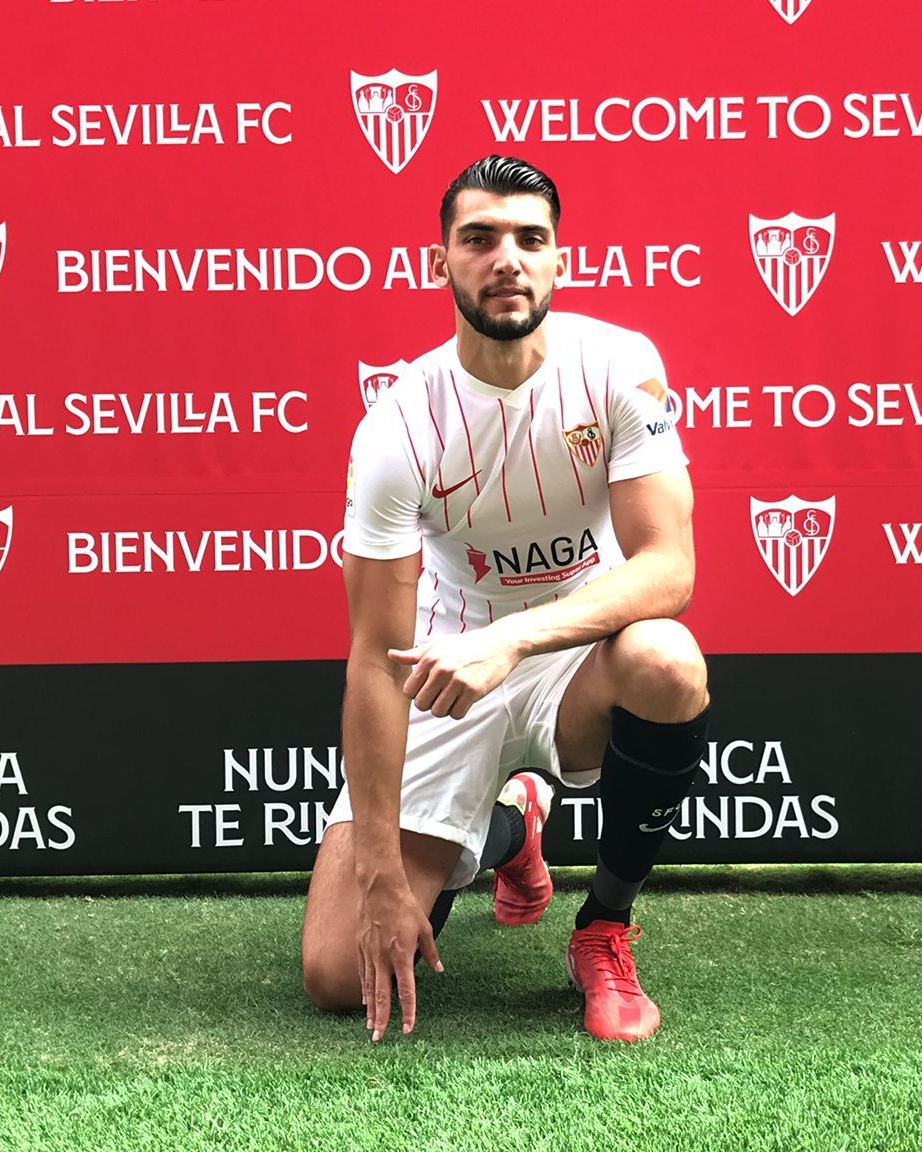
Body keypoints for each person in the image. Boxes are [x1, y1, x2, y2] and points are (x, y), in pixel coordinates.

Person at [301, 155, 709, 1043]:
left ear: (560, 257)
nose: (507, 259)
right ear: (440, 261)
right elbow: (375, 654)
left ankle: (603, 925)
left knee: (669, 663)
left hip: (575, 653)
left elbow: (668, 569)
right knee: (335, 976)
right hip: (444, 671)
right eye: (479, 239)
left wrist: (517, 638)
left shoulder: (619, 368)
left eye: (530, 238)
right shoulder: (398, 425)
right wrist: (376, 868)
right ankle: (507, 828)